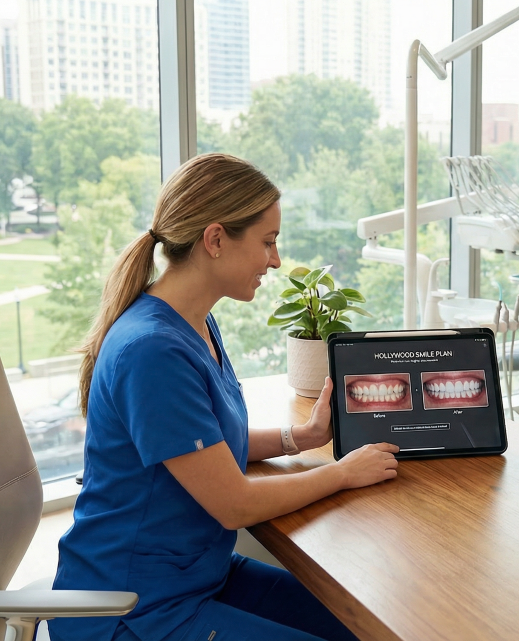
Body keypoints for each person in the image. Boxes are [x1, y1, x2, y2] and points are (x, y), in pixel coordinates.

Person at [49, 153, 399, 641]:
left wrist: (301, 437)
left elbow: (205, 444)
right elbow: (233, 504)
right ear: (215, 239)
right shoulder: (153, 351)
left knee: (363, 626)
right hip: (131, 608)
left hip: (197, 576)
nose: (275, 260)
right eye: (268, 242)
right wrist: (341, 473)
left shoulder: (195, 322)